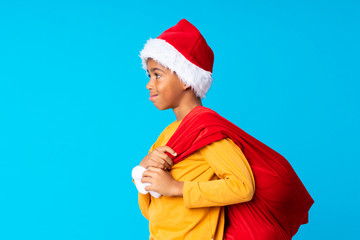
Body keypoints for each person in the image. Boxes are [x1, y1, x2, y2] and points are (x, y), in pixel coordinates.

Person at [132, 19, 313, 240]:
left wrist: (176, 187)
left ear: (185, 78)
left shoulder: (206, 131)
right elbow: (152, 212)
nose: (149, 84)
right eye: (148, 75)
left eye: (157, 74)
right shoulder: (167, 135)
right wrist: (143, 170)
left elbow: (243, 187)